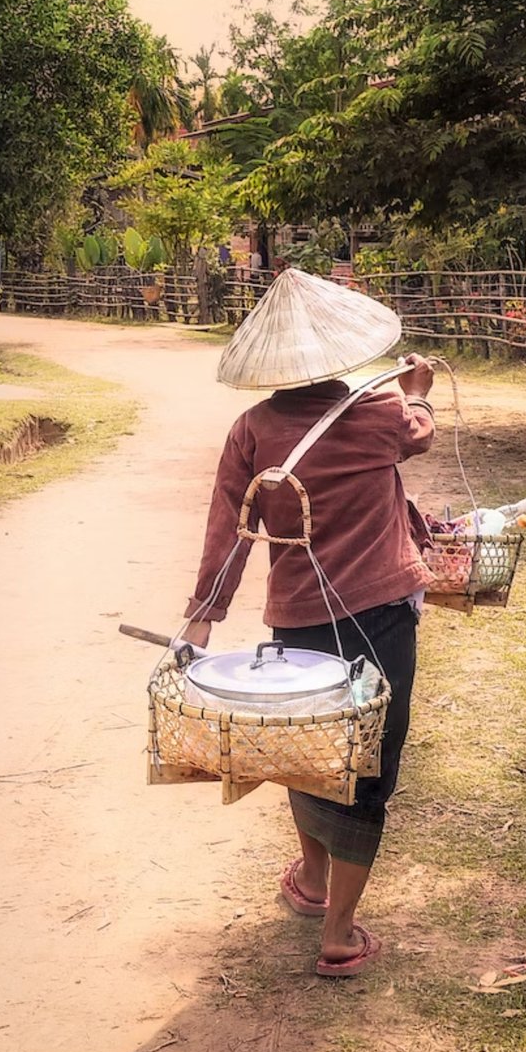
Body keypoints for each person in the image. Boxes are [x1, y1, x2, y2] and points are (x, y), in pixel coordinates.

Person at [180, 267, 436, 977]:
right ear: (341, 350)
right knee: (367, 766)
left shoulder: (252, 431)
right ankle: (340, 932)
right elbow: (419, 430)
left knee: (308, 751)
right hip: (381, 617)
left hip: (295, 623)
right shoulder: (381, 417)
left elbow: (226, 532)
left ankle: (315, 881)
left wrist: (203, 618)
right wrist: (414, 393)